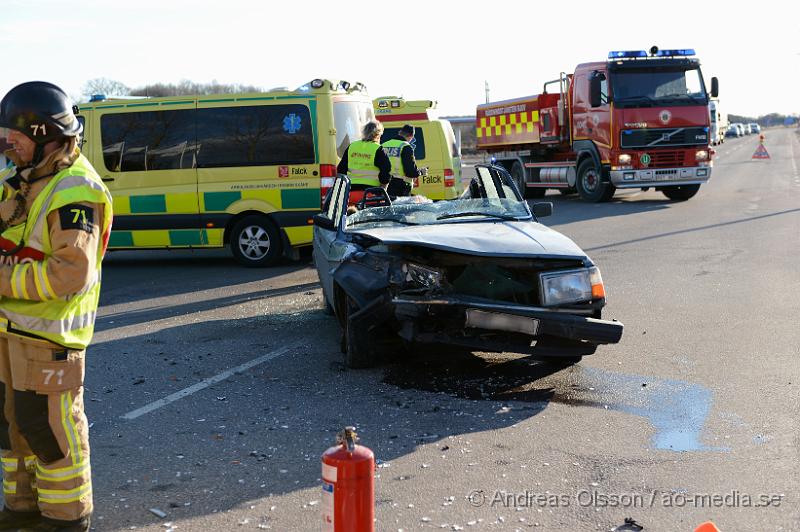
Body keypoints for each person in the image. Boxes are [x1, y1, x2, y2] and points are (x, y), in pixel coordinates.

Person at [0, 81, 113, 532]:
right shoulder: (24, 179)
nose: (6, 144)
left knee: (50, 431)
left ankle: (67, 518)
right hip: (11, 332)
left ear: (44, 133)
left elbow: (70, 273)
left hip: (49, 337)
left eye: (14, 136)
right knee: (12, 429)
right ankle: (22, 510)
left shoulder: (74, 190)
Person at [336, 120, 392, 191]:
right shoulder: (378, 149)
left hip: (351, 190)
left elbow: (341, 169)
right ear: (378, 134)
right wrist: (383, 186)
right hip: (371, 192)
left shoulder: (352, 146)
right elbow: (386, 171)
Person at [381, 124, 426, 197]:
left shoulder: (384, 145)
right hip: (399, 187)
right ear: (411, 136)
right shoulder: (405, 147)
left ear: (400, 132)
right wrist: (421, 172)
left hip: (383, 185)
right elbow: (410, 172)